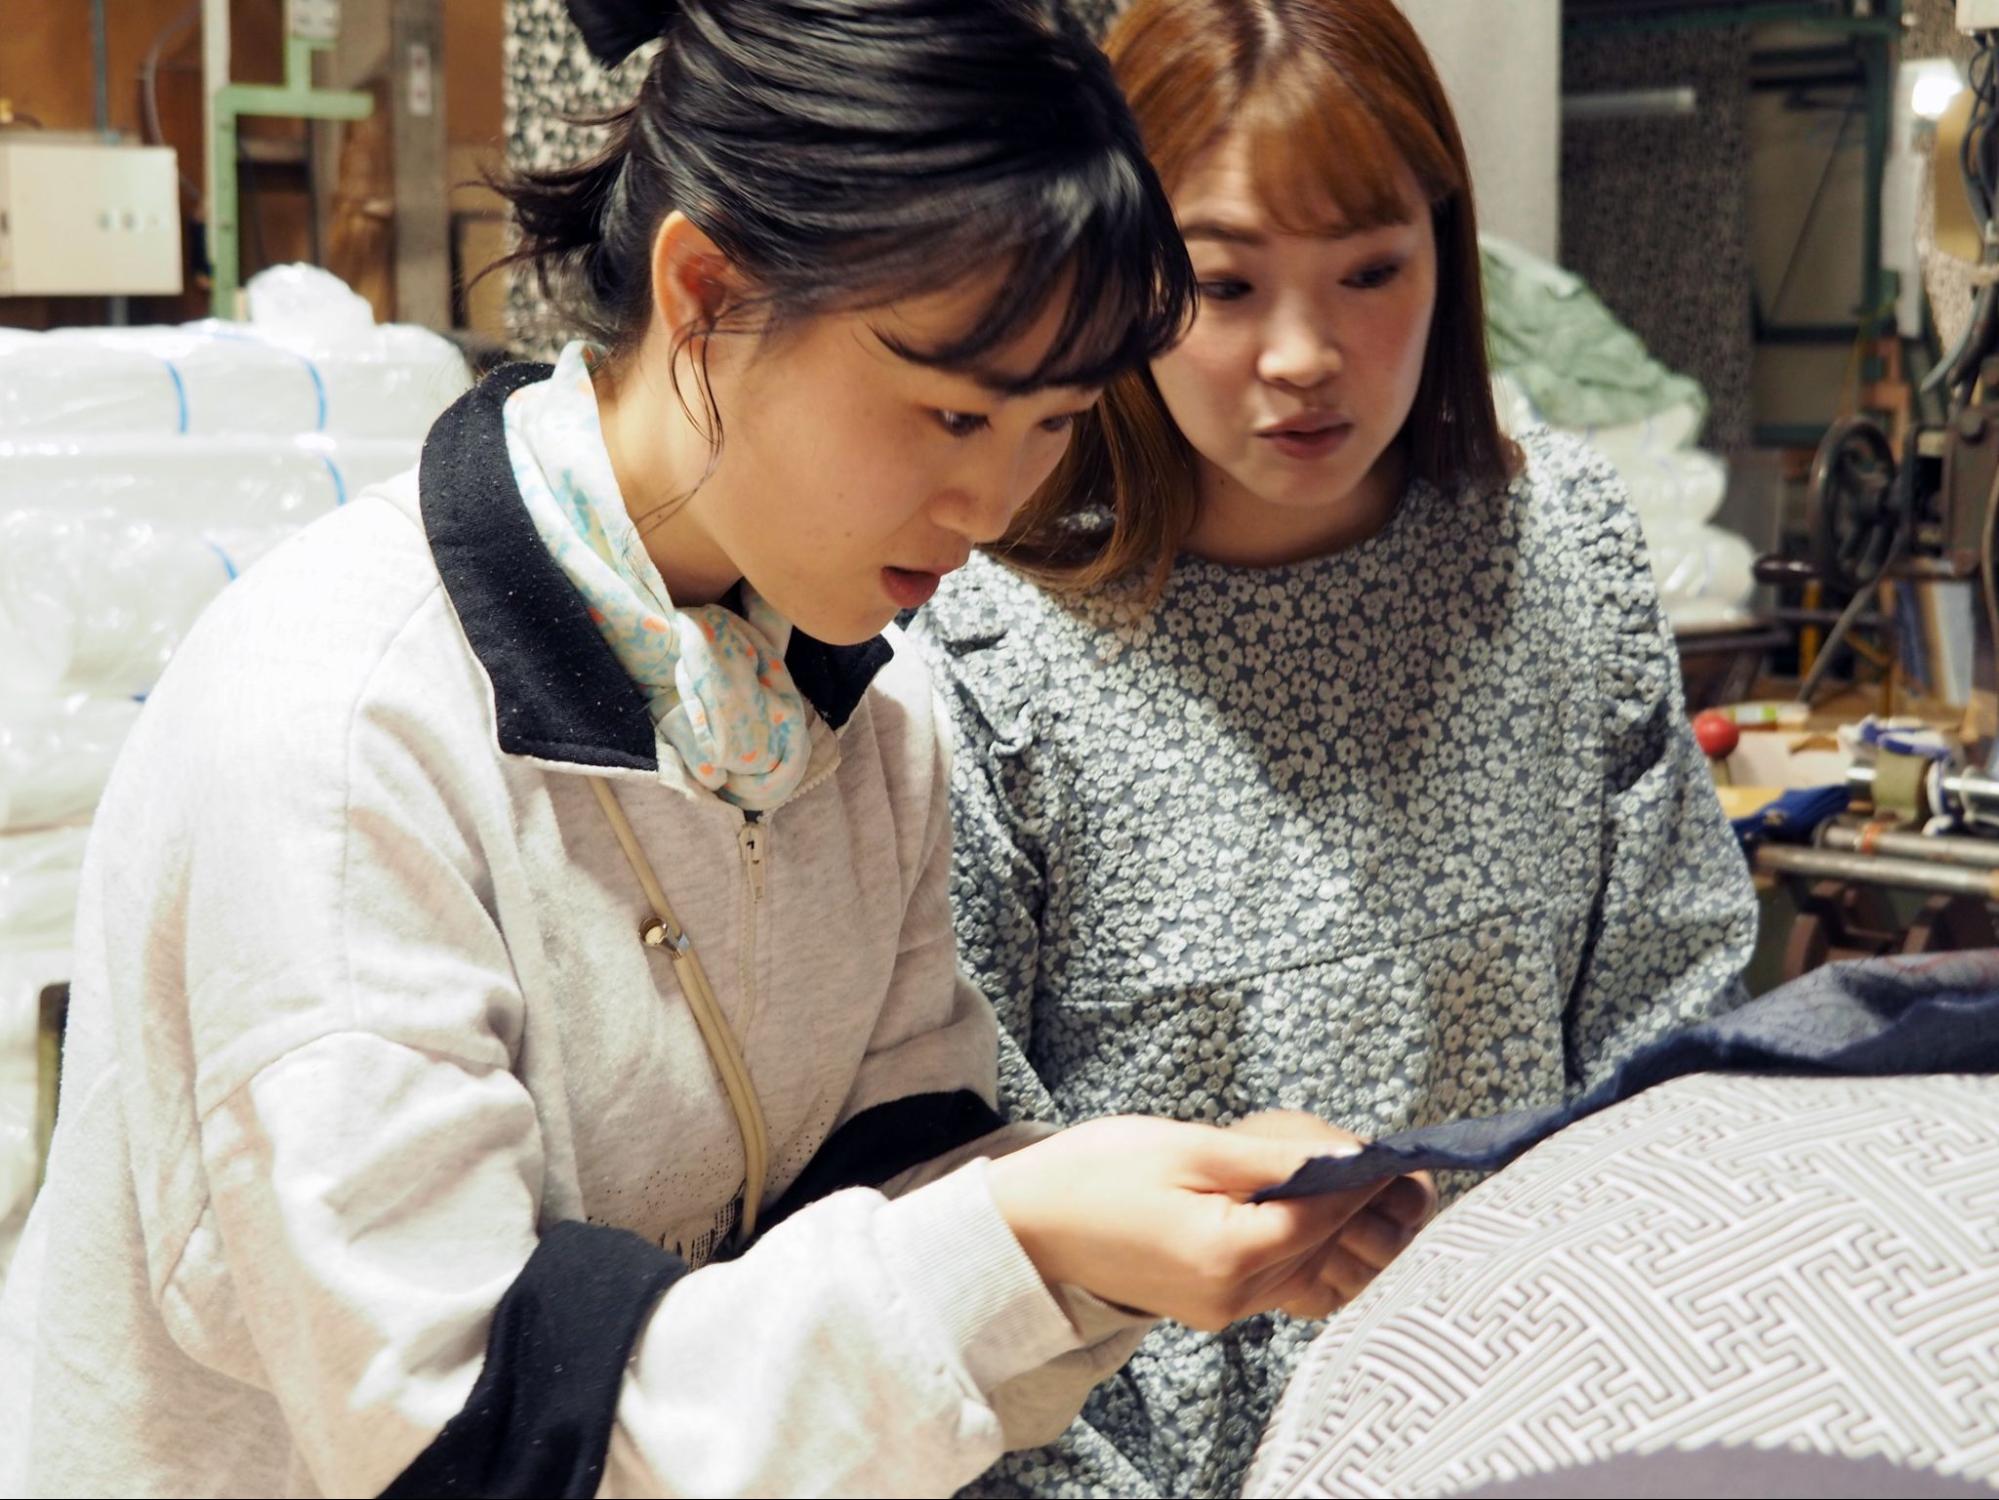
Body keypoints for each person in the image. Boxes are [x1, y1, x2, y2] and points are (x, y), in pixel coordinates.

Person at [0, 2, 1423, 1495]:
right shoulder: (346, 735)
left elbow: (875, 1187)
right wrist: (1027, 1238)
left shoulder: (859, 709)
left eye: (1054, 421)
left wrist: (1118, 1220)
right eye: (952, 413)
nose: (996, 503)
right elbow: (464, 1432)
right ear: (707, 295)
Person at [910, 0, 1759, 1493]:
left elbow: (1672, 1023)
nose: (1305, 356)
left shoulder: (1557, 557)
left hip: (1535, 1415)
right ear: (1121, 278)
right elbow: (967, 1192)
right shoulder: (992, 645)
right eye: (1224, 285)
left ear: (1448, 249)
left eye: (1371, 270)